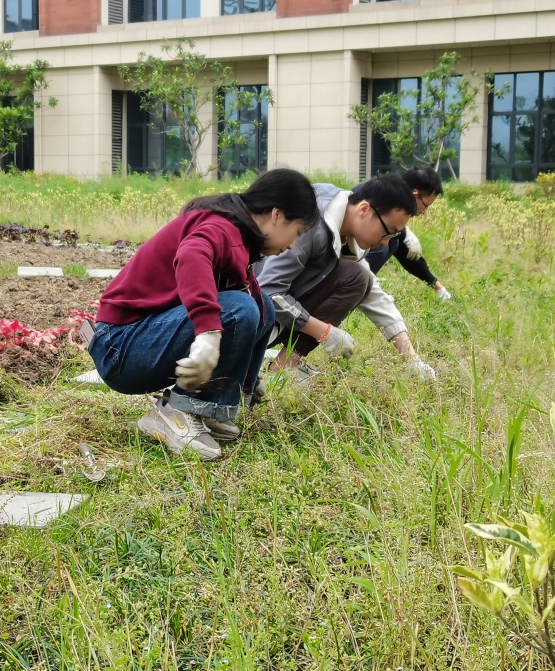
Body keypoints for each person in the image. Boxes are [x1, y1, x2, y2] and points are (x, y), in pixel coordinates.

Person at [88, 168, 320, 461]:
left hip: (137, 339)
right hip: (120, 346)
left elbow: (258, 310)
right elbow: (191, 255)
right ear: (276, 214)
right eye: (296, 233)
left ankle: (209, 408)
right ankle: (175, 412)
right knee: (240, 308)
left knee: (262, 307)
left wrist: (247, 378)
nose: (292, 245)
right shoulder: (220, 227)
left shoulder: (237, 235)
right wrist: (207, 334)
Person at [256, 172, 436, 380]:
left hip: (273, 315)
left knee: (359, 278)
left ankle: (284, 366)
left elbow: (374, 294)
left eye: (394, 236)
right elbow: (267, 291)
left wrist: (412, 358)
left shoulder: (347, 234)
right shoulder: (311, 224)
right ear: (364, 209)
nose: (386, 242)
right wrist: (324, 331)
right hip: (250, 319)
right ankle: (271, 372)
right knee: (357, 277)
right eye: (388, 231)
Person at [361, 166, 452, 301]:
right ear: (415, 194)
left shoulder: (394, 203)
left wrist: (436, 285)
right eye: (425, 205)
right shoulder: (382, 197)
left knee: (393, 242)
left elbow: (405, 251)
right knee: (384, 244)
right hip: (338, 259)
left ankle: (365, 283)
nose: (424, 212)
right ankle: (360, 284)